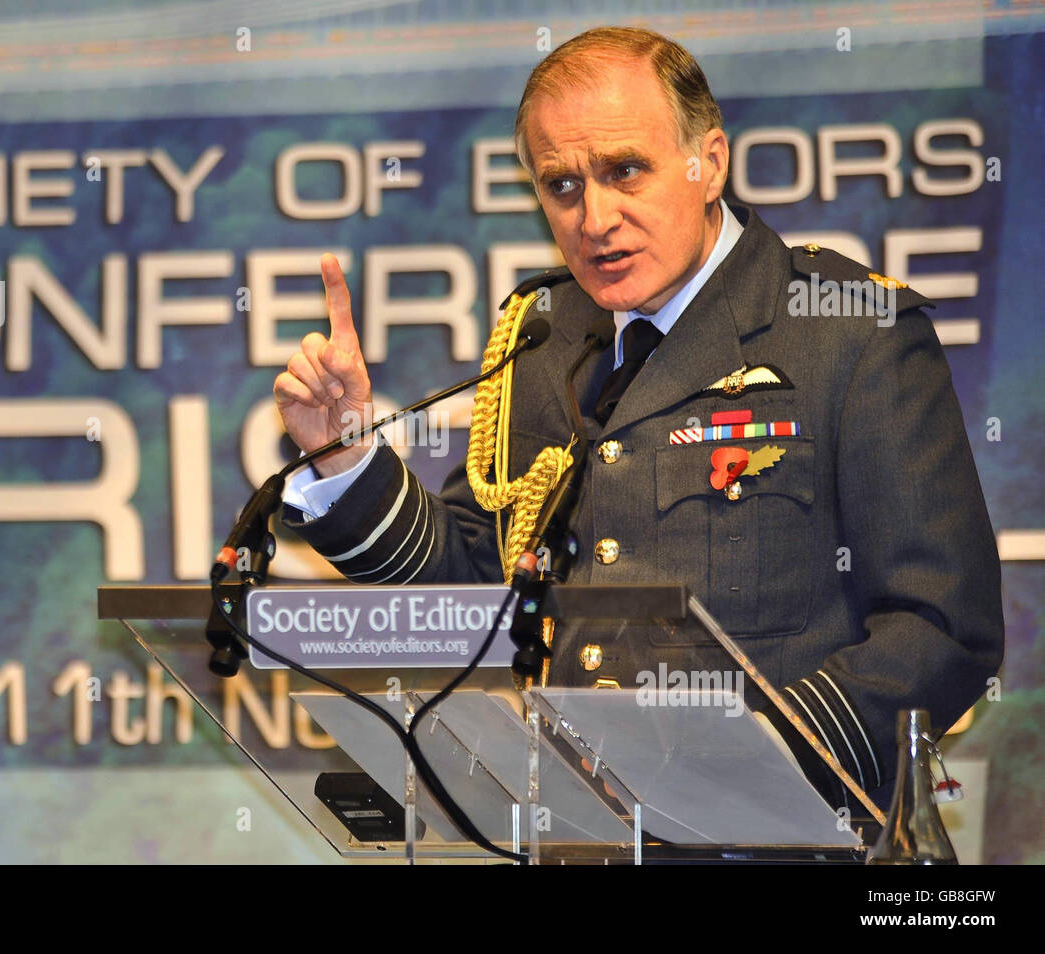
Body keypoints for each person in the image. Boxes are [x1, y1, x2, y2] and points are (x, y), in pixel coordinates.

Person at [270, 26, 1003, 811]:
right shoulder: (545, 339)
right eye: (563, 185)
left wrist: (746, 767)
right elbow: (481, 585)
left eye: (626, 171)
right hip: (577, 838)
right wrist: (347, 458)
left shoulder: (849, 331)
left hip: (782, 837)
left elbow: (942, 627)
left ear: (709, 162)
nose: (595, 217)